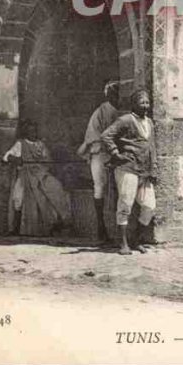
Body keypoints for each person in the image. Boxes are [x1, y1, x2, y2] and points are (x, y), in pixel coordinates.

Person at [101, 88, 157, 255]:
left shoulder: (150, 123)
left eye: (147, 102)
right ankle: (123, 244)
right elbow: (106, 135)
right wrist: (116, 154)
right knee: (125, 204)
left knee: (149, 206)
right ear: (134, 104)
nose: (145, 106)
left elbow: (151, 146)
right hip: (127, 168)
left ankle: (137, 240)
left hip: (144, 171)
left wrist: (153, 168)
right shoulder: (125, 120)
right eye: (142, 103)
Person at [2, 120, 71, 237]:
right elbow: (6, 156)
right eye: (30, 131)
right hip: (25, 174)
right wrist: (15, 159)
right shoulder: (20, 144)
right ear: (26, 132)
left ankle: (57, 222)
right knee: (18, 196)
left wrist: (43, 165)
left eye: (34, 131)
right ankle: (15, 228)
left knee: (55, 187)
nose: (33, 133)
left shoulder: (41, 145)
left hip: (40, 174)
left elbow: (48, 162)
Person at [77, 80, 121, 243]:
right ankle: (101, 226)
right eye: (112, 93)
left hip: (119, 155)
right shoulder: (101, 112)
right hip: (101, 153)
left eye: (117, 93)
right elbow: (92, 136)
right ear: (108, 94)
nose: (115, 96)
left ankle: (121, 230)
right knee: (100, 187)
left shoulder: (122, 111)